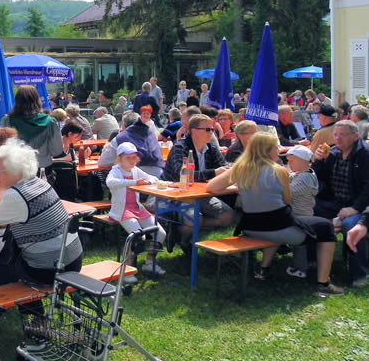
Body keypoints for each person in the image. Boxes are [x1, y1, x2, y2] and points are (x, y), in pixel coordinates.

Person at [207, 133, 344, 298]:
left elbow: (212, 187)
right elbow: (287, 200)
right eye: (275, 148)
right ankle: (323, 283)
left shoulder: (241, 169)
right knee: (327, 228)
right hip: (280, 229)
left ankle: (264, 269)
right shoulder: (279, 171)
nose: (278, 151)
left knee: (276, 220)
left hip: (251, 228)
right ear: (267, 150)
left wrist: (239, 188)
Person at [0, 138, 82, 287]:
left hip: (51, 270)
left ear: (16, 172)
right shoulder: (41, 183)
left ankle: (4, 299)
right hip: (73, 261)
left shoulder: (16, 195)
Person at [311, 120, 369, 287]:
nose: (337, 139)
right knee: (306, 212)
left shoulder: (367, 155)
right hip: (334, 202)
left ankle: (360, 275)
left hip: (362, 205)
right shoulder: (333, 153)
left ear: (355, 136)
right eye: (335, 135)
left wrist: (355, 208)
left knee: (351, 225)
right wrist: (318, 161)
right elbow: (317, 179)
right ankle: (311, 261)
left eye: (342, 135)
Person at [161, 114, 234, 252]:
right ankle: (184, 240)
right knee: (194, 219)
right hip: (178, 193)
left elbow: (223, 166)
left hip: (201, 192)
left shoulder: (211, 148)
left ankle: (178, 228)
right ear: (193, 131)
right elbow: (180, 174)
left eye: (212, 130)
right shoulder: (180, 147)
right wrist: (213, 173)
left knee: (228, 216)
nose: (211, 133)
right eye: (207, 129)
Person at [106, 142, 167, 281]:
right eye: (128, 157)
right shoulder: (115, 170)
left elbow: (153, 178)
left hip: (137, 208)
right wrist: (134, 183)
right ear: (120, 158)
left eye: (134, 157)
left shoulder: (135, 170)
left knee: (160, 233)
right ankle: (126, 269)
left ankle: (150, 262)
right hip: (122, 210)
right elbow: (110, 182)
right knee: (138, 237)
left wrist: (148, 181)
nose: (132, 160)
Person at [0, 85, 64, 172]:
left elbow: (3, 148)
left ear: (17, 101)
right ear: (37, 101)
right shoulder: (50, 122)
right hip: (42, 169)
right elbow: (57, 151)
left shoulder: (6, 121)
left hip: (16, 170)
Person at [283, 145, 318, 279]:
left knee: (299, 243)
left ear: (303, 161)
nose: (289, 164)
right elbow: (290, 177)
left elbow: (287, 192)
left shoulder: (305, 179)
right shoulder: (303, 174)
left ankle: (301, 269)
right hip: (300, 214)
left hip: (301, 216)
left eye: (291, 161)